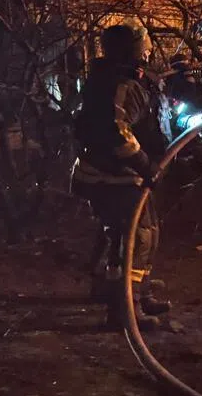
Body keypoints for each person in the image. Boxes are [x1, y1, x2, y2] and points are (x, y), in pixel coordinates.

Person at [71, 22, 172, 329]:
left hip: (123, 177)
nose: (148, 50)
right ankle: (123, 311)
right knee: (135, 239)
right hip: (115, 177)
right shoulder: (116, 83)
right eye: (143, 45)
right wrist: (144, 164)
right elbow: (115, 132)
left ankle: (133, 297)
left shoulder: (123, 79)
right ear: (131, 48)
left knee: (135, 237)